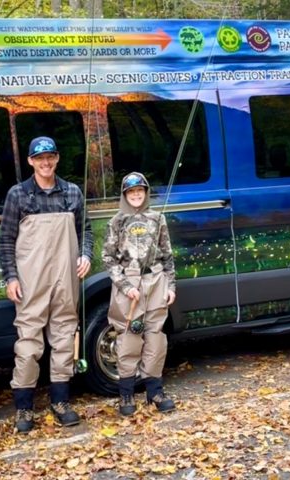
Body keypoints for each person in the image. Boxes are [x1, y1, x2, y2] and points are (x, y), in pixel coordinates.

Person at [0, 136, 93, 433]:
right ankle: (24, 408)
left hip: (66, 278)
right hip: (31, 281)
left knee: (65, 339)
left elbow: (85, 230)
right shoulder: (18, 195)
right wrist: (11, 277)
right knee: (28, 345)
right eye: (40, 158)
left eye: (50, 156)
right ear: (30, 161)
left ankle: (61, 401)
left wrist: (86, 254)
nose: (46, 162)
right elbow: (6, 241)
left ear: (57, 158)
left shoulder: (72, 193)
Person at [102, 172, 177, 417]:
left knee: (155, 336)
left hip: (156, 281)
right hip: (129, 285)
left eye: (140, 191)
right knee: (130, 335)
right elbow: (108, 258)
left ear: (145, 193)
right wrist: (124, 285)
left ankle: (154, 391)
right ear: (125, 195)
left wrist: (171, 286)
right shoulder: (116, 221)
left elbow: (167, 255)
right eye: (131, 192)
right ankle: (126, 394)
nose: (136, 195)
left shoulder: (158, 218)